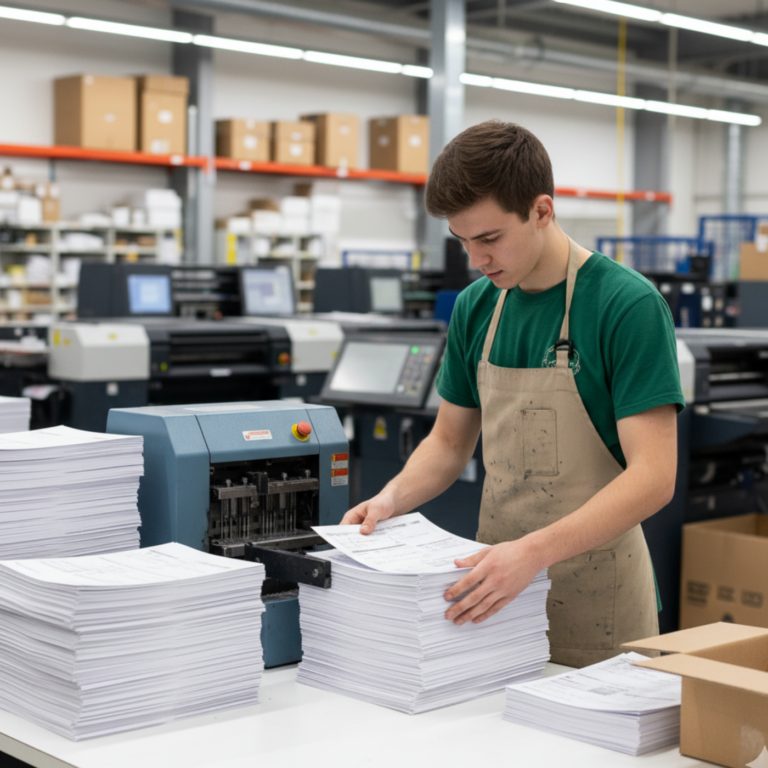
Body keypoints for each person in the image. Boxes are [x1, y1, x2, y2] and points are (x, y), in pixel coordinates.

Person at [341, 120, 684, 668]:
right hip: (492, 590)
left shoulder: (626, 305)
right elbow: (450, 442)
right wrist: (390, 499)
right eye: (463, 242)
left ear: (542, 210)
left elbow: (653, 477)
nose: (476, 259)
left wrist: (532, 553)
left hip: (598, 598)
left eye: (490, 238)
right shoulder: (476, 307)